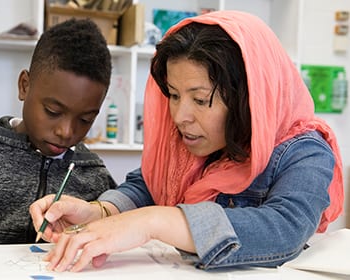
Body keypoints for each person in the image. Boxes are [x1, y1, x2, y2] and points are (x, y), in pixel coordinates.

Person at [29, 11, 344, 272]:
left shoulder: (305, 151)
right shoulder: (189, 141)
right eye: (175, 96)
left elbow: (283, 229)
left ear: (249, 99)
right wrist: (99, 212)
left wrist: (153, 221)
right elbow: (147, 186)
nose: (180, 116)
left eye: (200, 99)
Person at [0, 18, 117, 246]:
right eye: (52, 111)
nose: (66, 132)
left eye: (85, 119)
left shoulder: (94, 174)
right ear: (24, 86)